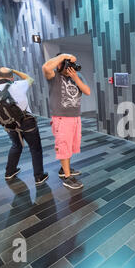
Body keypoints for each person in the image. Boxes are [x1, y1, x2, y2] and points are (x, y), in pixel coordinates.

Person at [0, 67, 49, 186]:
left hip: (9, 123)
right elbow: (29, 78)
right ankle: (39, 176)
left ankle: (10, 171)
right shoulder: (18, 85)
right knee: (35, 148)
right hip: (26, 122)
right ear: (11, 77)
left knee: (16, 145)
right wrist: (14, 70)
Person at [42, 54, 91, 190]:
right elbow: (45, 67)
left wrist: (75, 77)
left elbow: (87, 91)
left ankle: (64, 169)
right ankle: (67, 178)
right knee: (63, 146)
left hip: (75, 117)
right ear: (59, 64)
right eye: (66, 64)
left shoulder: (77, 76)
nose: (69, 68)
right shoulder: (54, 77)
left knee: (69, 147)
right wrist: (63, 56)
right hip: (61, 118)